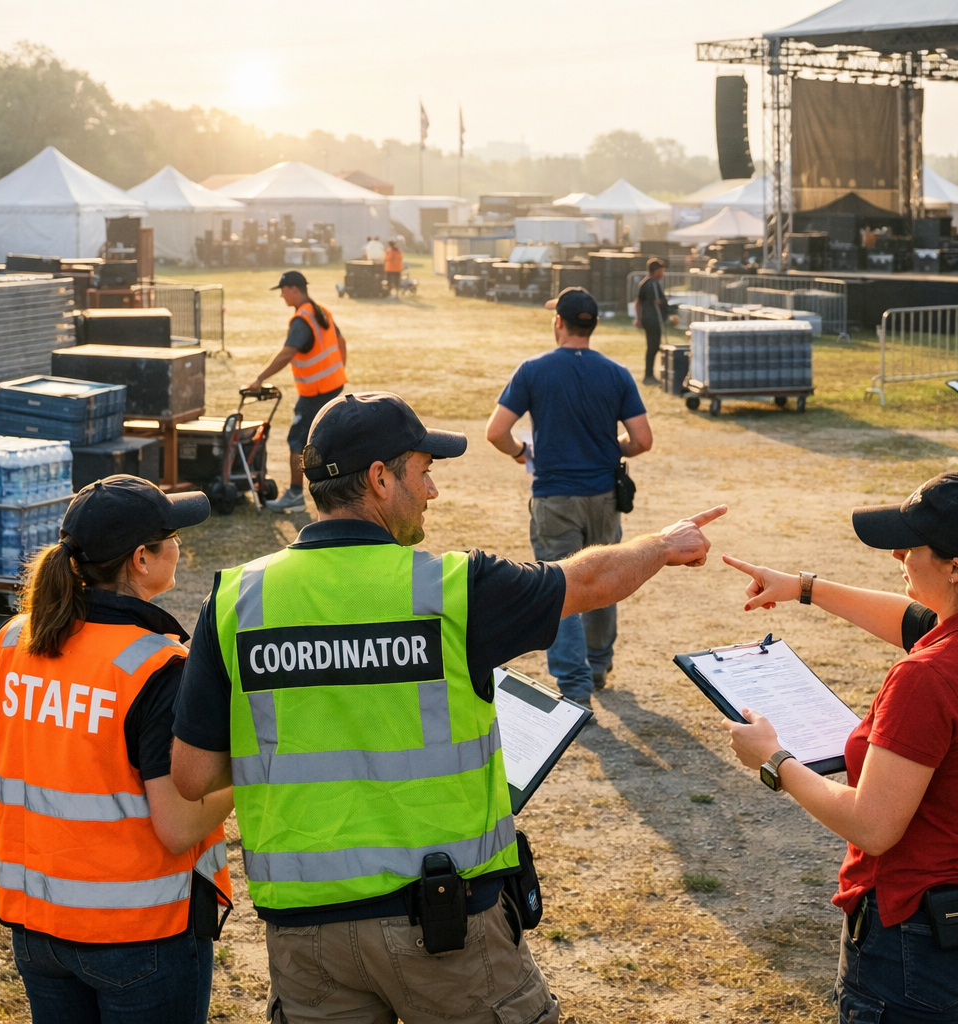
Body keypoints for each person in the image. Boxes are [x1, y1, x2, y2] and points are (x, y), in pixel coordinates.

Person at [169, 391, 722, 1024]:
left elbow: (191, 776)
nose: (431, 490)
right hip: (447, 931)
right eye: (422, 471)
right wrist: (665, 543)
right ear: (380, 479)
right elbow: (588, 580)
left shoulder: (236, 600)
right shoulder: (452, 591)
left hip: (307, 942)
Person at [722, 472, 958, 1024]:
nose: (898, 555)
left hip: (925, 940)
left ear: (956, 568)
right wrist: (803, 587)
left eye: (911, 545)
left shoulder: (930, 677)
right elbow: (915, 621)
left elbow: (874, 825)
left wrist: (775, 760)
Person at [0, 476, 235, 1023]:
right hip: (141, 934)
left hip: (38, 931)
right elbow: (176, 826)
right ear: (142, 560)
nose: (180, 546)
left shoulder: (16, 639)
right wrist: (244, 773)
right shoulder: (157, 665)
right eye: (171, 536)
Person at [485, 287, 653, 700]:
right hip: (603, 495)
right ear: (592, 324)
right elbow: (643, 440)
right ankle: (597, 667)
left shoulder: (533, 370)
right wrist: (611, 446)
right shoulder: (616, 373)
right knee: (604, 579)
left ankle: (574, 685)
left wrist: (521, 452)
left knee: (558, 588)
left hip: (555, 496)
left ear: (558, 321)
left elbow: (495, 432)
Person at [251, 270, 348, 513]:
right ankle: (336, 490)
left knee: (297, 441)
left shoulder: (301, 319)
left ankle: (295, 494)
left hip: (315, 392)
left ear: (294, 289)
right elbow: (341, 341)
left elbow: (286, 354)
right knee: (326, 440)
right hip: (333, 385)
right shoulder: (321, 310)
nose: (281, 295)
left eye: (283, 290)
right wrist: (336, 372)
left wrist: (259, 378)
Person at [634, 257, 679, 384]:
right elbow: (659, 303)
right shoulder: (653, 284)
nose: (663, 273)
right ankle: (649, 376)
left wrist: (639, 318)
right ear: (656, 270)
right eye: (662, 270)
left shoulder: (644, 283)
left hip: (648, 320)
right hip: (653, 319)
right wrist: (671, 313)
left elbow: (638, 302)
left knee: (652, 347)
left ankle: (650, 375)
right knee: (653, 348)